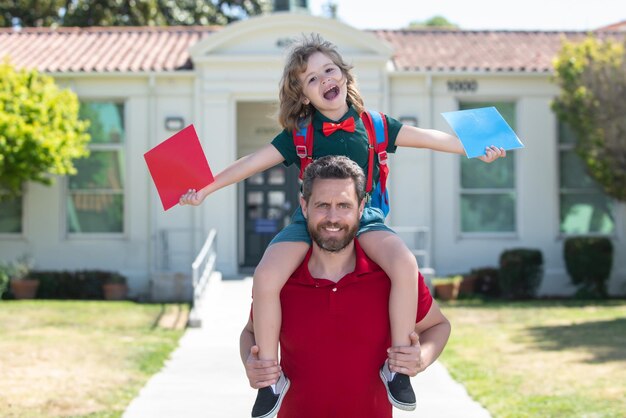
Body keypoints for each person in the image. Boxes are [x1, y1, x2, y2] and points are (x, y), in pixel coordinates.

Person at [180, 34, 504, 418]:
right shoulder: (299, 134)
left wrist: (474, 148)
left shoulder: (376, 125)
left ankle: (397, 371)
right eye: (311, 79)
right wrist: (206, 187)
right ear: (303, 96)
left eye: (328, 70)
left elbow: (428, 138)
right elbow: (252, 162)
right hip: (309, 218)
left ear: (345, 76)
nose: (323, 79)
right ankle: (269, 379)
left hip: (366, 216)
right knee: (266, 274)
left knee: (403, 264)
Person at [240, 155, 451, 418]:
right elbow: (250, 332)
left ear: (361, 208)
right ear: (304, 207)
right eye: (322, 205)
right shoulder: (281, 279)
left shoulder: (391, 278)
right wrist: (253, 363)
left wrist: (421, 359)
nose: (332, 218)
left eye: (343, 205)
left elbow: (439, 326)